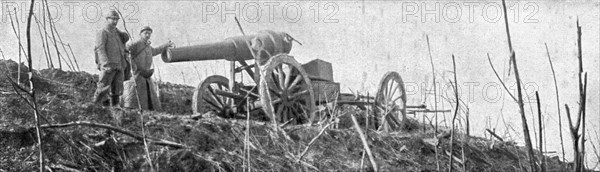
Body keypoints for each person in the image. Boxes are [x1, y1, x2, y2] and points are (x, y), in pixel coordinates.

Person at [122, 26, 172, 110]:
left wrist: (166, 45)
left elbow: (155, 51)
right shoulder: (136, 44)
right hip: (136, 73)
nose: (147, 35)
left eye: (149, 33)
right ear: (140, 34)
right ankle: (130, 110)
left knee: (147, 95)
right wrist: (132, 65)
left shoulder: (148, 46)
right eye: (145, 33)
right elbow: (125, 50)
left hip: (145, 74)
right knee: (132, 95)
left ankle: (145, 111)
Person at [93, 10, 130, 106]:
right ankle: (98, 108)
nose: (115, 21)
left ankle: (115, 108)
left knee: (117, 89)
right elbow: (100, 49)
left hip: (119, 64)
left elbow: (121, 46)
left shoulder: (117, 33)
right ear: (107, 19)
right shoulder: (102, 32)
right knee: (103, 87)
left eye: (116, 19)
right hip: (108, 65)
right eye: (112, 19)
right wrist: (105, 64)